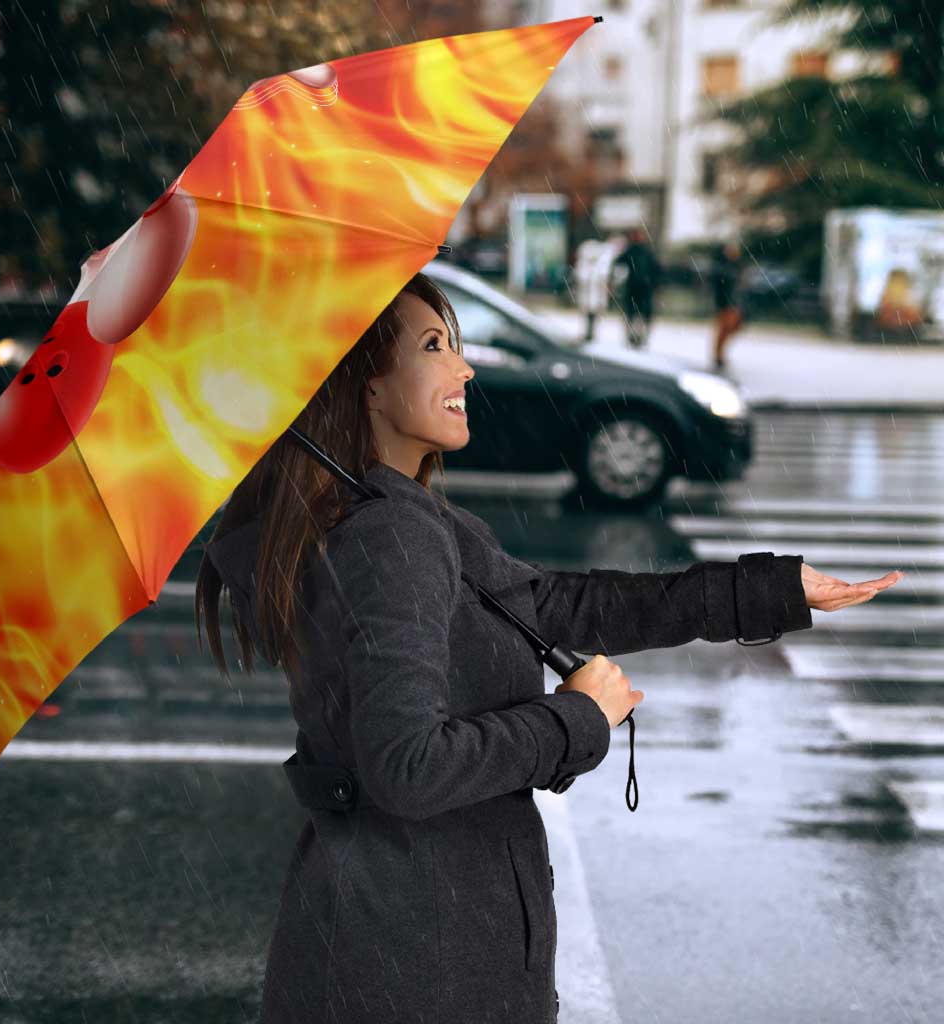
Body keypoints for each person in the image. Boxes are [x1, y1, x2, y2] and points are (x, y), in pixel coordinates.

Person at [196, 272, 902, 1024]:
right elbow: (407, 767)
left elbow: (563, 606)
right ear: (366, 388)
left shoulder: (400, 519)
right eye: (435, 346)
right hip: (416, 962)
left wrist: (769, 590)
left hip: (398, 944)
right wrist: (575, 719)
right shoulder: (390, 536)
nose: (464, 368)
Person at [612, 226, 662, 349]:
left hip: (643, 288)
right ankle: (633, 337)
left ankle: (639, 337)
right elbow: (618, 264)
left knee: (640, 315)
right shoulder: (632, 251)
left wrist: (655, 284)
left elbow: (656, 270)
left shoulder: (645, 252)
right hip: (635, 288)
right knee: (633, 314)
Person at [710, 239, 746, 370]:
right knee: (724, 329)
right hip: (725, 303)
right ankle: (718, 355)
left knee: (732, 328)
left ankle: (719, 354)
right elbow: (719, 286)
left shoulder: (737, 266)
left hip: (734, 303)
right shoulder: (722, 267)